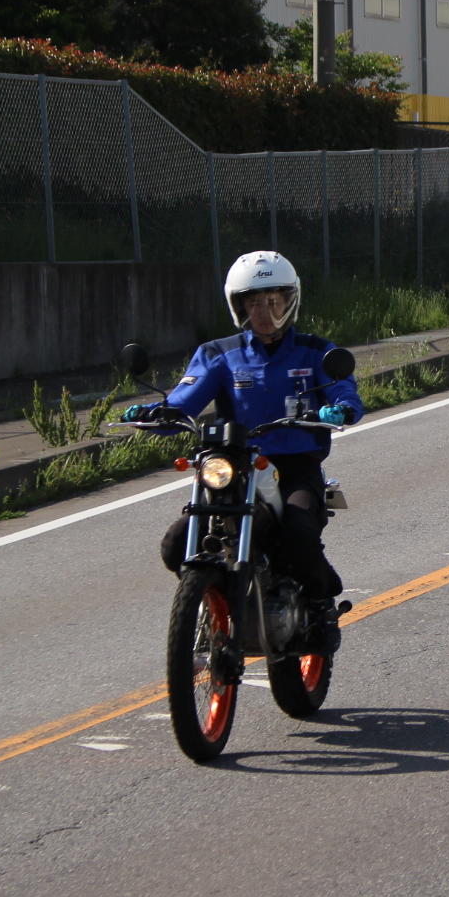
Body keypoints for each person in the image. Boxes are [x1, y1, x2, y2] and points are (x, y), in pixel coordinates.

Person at [127, 250, 365, 653]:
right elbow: (186, 398)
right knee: (175, 544)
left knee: (299, 533)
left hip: (294, 465)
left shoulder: (315, 352)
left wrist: (340, 407)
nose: (264, 311)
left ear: (290, 302)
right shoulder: (219, 354)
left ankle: (322, 606)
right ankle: (213, 597)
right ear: (237, 306)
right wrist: (158, 412)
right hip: (233, 463)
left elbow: (345, 391)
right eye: (253, 302)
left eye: (273, 301)